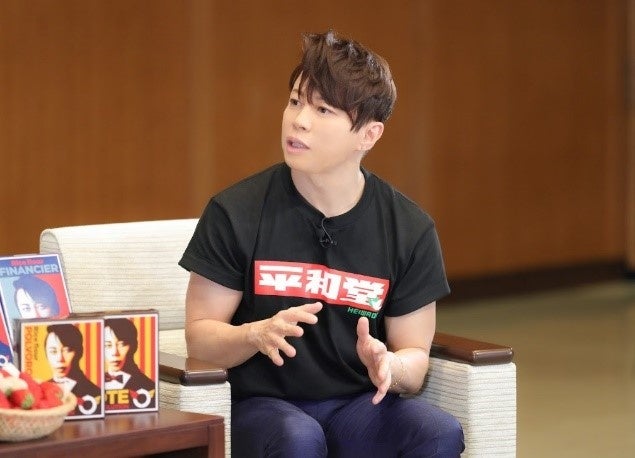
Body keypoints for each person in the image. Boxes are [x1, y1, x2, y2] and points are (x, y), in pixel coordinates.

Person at [180, 30, 465, 457]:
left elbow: (415, 359)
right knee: (298, 439)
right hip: (261, 406)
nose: (299, 120)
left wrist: (390, 364)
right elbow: (200, 338)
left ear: (368, 135)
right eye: (295, 101)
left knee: (437, 433)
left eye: (323, 109)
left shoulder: (409, 228)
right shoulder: (235, 212)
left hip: (356, 406)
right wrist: (255, 334)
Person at [45, 323, 101, 415]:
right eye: (53, 351)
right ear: (46, 354)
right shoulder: (42, 389)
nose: (60, 359)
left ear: (79, 353)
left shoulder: (94, 392)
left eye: (67, 350)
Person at [104, 318, 156, 409]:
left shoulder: (149, 387)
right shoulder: (92, 388)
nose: (115, 353)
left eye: (122, 344)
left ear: (133, 346)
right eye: (108, 345)